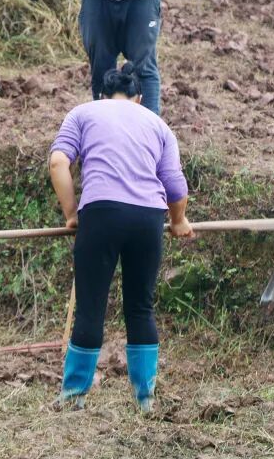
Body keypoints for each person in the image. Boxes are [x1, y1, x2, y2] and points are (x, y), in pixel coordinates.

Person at [48, 62, 193, 411]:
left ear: (101, 94)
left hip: (101, 214)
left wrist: (71, 213)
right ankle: (145, 398)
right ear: (139, 98)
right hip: (147, 218)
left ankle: (74, 396)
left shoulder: (83, 113)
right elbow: (175, 185)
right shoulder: (158, 125)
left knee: (91, 307)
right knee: (140, 307)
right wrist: (178, 221)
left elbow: (58, 162)